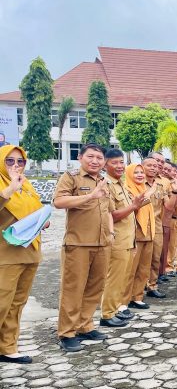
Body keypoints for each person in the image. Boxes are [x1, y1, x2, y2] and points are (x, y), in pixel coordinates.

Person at [53, 144, 114, 352]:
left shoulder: (104, 181)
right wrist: (89, 196)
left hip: (102, 243)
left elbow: (108, 210)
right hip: (78, 243)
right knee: (73, 289)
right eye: (90, 156)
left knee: (95, 288)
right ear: (80, 157)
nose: (95, 161)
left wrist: (111, 234)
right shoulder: (71, 177)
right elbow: (59, 202)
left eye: (99, 157)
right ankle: (67, 332)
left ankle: (85, 325)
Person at [0, 146, 46, 363]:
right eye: (9, 161)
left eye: (20, 161)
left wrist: (43, 220)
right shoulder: (7, 184)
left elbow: (36, 210)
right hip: (5, 255)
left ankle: (7, 347)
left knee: (16, 304)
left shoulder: (26, 185)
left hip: (29, 252)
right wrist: (10, 189)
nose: (16, 165)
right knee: (2, 303)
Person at [100, 149, 144, 327]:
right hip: (117, 240)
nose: (119, 166)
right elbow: (112, 215)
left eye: (121, 162)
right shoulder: (106, 185)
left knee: (122, 278)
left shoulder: (120, 184)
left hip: (127, 239)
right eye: (114, 163)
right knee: (114, 278)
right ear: (105, 165)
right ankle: (107, 314)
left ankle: (116, 308)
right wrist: (134, 206)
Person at [125, 163, 157, 310]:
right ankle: (124, 301)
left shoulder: (143, 188)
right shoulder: (127, 189)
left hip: (148, 234)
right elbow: (133, 207)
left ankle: (137, 297)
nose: (139, 175)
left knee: (143, 269)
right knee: (130, 270)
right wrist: (149, 195)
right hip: (136, 235)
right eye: (136, 172)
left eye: (141, 172)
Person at [147, 152, 170, 293]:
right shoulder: (138, 179)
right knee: (142, 259)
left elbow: (169, 206)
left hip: (156, 224)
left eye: (161, 162)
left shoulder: (163, 183)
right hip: (141, 225)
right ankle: (137, 289)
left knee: (156, 256)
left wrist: (175, 192)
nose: (158, 165)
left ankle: (152, 285)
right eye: (155, 162)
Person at [158, 161, 177, 282]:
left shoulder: (166, 182)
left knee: (163, 249)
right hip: (152, 220)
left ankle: (161, 272)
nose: (166, 171)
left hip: (165, 218)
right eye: (164, 168)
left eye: (168, 170)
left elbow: (172, 204)